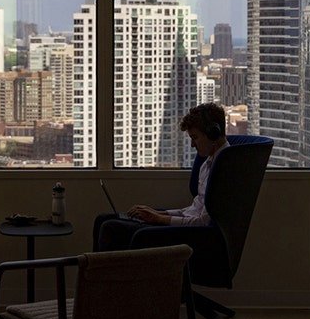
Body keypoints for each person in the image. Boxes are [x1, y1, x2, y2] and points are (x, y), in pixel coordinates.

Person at [93, 103, 229, 251]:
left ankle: (103, 273)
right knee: (102, 219)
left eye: (194, 137)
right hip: (190, 224)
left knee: (111, 228)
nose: (192, 145)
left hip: (199, 234)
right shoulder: (207, 164)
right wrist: (158, 213)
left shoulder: (225, 170)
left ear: (213, 133)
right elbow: (194, 209)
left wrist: (159, 219)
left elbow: (203, 222)